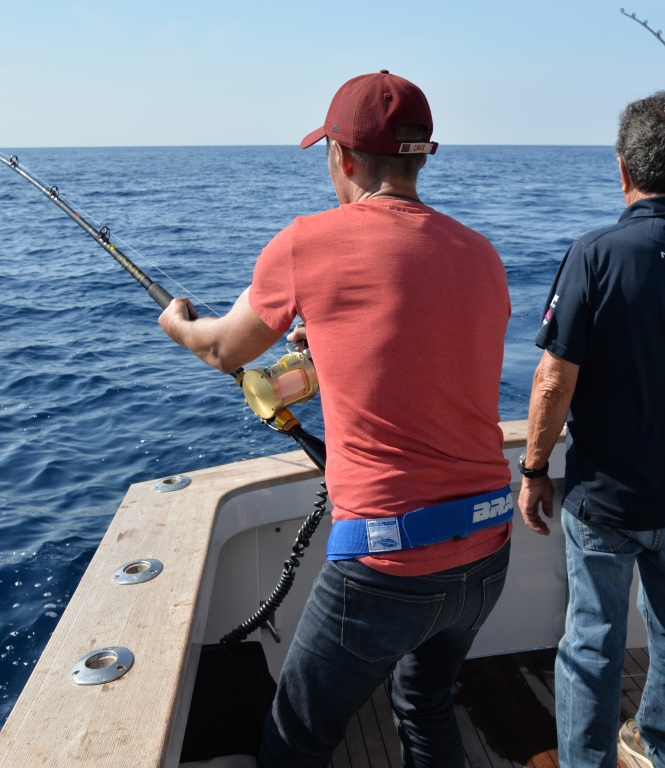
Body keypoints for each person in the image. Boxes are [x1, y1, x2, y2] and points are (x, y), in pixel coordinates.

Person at [159, 70, 513, 768]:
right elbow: (423, 347)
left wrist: (178, 325)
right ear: (421, 155)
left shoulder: (306, 243)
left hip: (386, 564)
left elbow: (223, 348)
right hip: (486, 550)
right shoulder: (481, 253)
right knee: (426, 706)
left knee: (295, 742)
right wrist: (328, 333)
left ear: (343, 158)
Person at [518, 91, 665, 768]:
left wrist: (533, 470)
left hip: (605, 497)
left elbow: (552, 380)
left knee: (592, 643)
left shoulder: (596, 254)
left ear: (621, 169)